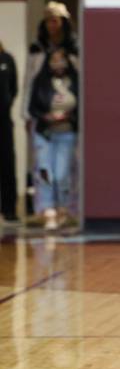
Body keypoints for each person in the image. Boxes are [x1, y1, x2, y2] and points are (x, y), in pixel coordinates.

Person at [28, 48, 79, 231]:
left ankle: (63, 208)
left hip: (66, 133)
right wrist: (46, 117)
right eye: (54, 60)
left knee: (61, 173)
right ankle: (47, 210)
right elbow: (33, 108)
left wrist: (69, 117)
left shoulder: (76, 82)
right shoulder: (40, 81)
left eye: (61, 60)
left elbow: (82, 108)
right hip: (45, 134)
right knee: (45, 172)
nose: (58, 64)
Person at [0, 40, 19, 225]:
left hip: (3, 120)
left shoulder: (7, 59)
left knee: (7, 164)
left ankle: (9, 209)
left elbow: (14, 89)